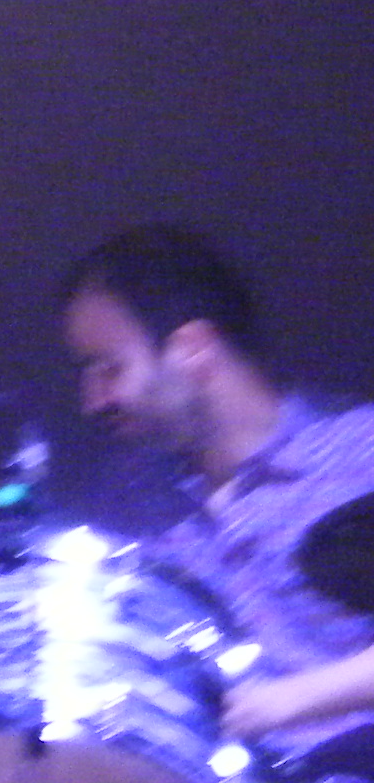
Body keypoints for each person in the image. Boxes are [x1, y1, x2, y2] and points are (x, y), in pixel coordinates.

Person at [60, 224, 374, 779]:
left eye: (110, 368)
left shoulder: (359, 453)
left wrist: (287, 702)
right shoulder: (136, 513)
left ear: (192, 350)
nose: (94, 401)